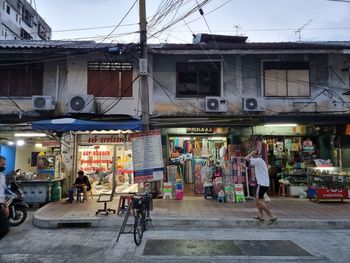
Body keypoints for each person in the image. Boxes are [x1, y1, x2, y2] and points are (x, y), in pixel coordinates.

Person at [245, 149, 277, 223]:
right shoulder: (259, 160)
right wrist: (252, 154)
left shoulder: (258, 160)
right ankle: (261, 216)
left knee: (258, 200)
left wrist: (251, 153)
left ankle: (271, 215)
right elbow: (249, 160)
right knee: (258, 200)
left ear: (254, 154)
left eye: (251, 154)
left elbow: (245, 158)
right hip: (264, 183)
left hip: (262, 183)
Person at [0, 155, 10, 240]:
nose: (4, 166)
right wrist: (6, 206)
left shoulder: (1, 175)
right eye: (2, 164)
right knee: (4, 228)